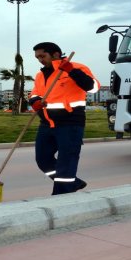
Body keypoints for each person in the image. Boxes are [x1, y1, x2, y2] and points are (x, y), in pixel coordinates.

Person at [29, 42, 100, 195]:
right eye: (37, 57)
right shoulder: (40, 75)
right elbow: (35, 93)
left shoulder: (77, 67)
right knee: (43, 160)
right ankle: (73, 183)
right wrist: (34, 101)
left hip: (70, 123)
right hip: (47, 123)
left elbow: (93, 87)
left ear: (55, 54)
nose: (40, 60)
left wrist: (71, 71)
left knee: (66, 162)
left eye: (43, 56)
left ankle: (61, 195)